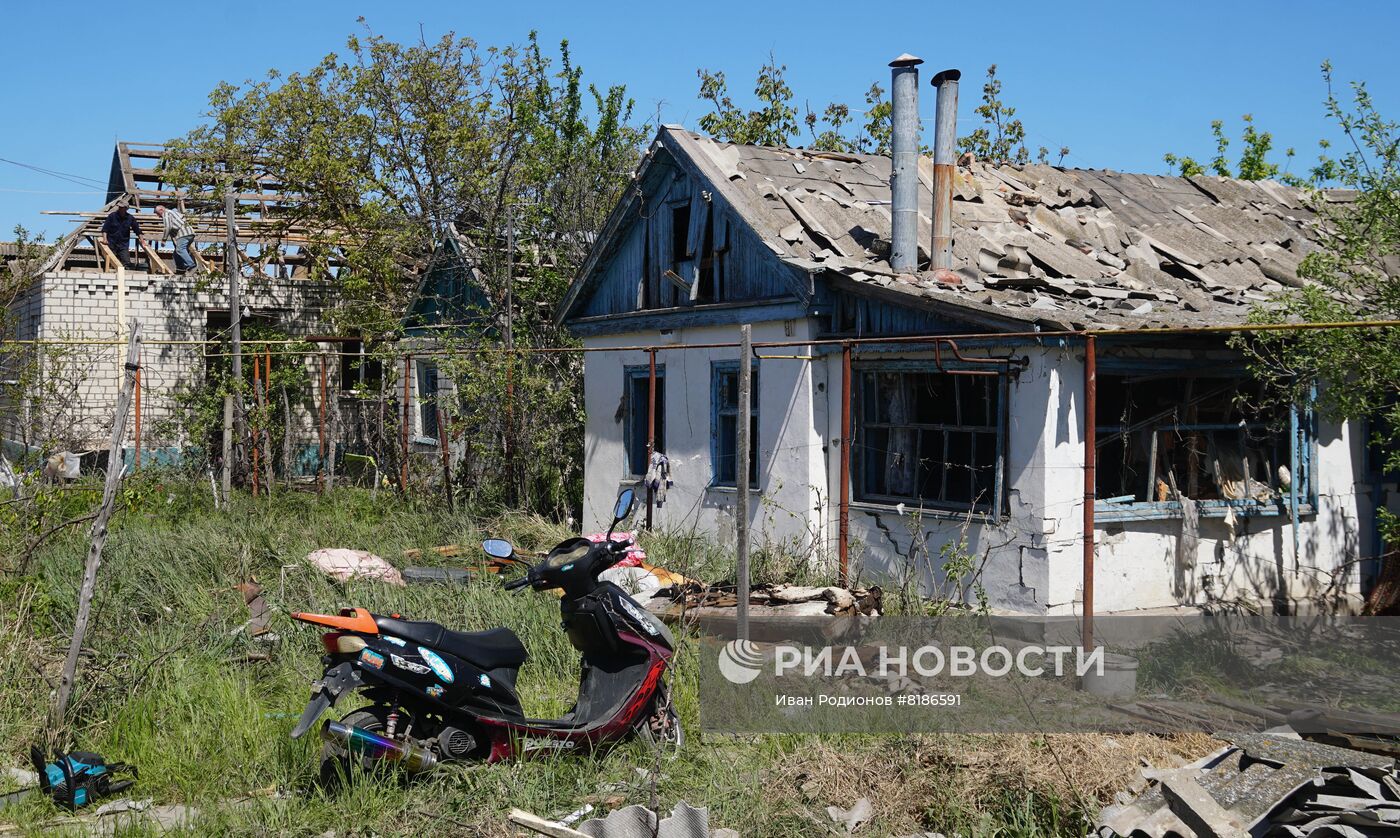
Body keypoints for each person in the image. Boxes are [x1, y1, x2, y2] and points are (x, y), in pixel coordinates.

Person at [154, 204, 197, 274]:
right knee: (176, 254)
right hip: (189, 233)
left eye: (158, 214)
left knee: (180, 249)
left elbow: (168, 227)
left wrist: (164, 239)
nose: (158, 216)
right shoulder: (173, 212)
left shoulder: (166, 213)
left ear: (161, 210)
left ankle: (192, 266)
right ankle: (181, 270)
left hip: (183, 234)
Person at [100, 201, 141, 270]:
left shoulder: (130, 218)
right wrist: (105, 239)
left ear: (126, 208)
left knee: (126, 263)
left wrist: (142, 240)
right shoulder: (112, 216)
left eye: (121, 207)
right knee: (111, 262)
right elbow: (105, 229)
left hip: (123, 244)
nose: (119, 208)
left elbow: (137, 230)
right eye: (119, 207)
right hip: (111, 243)